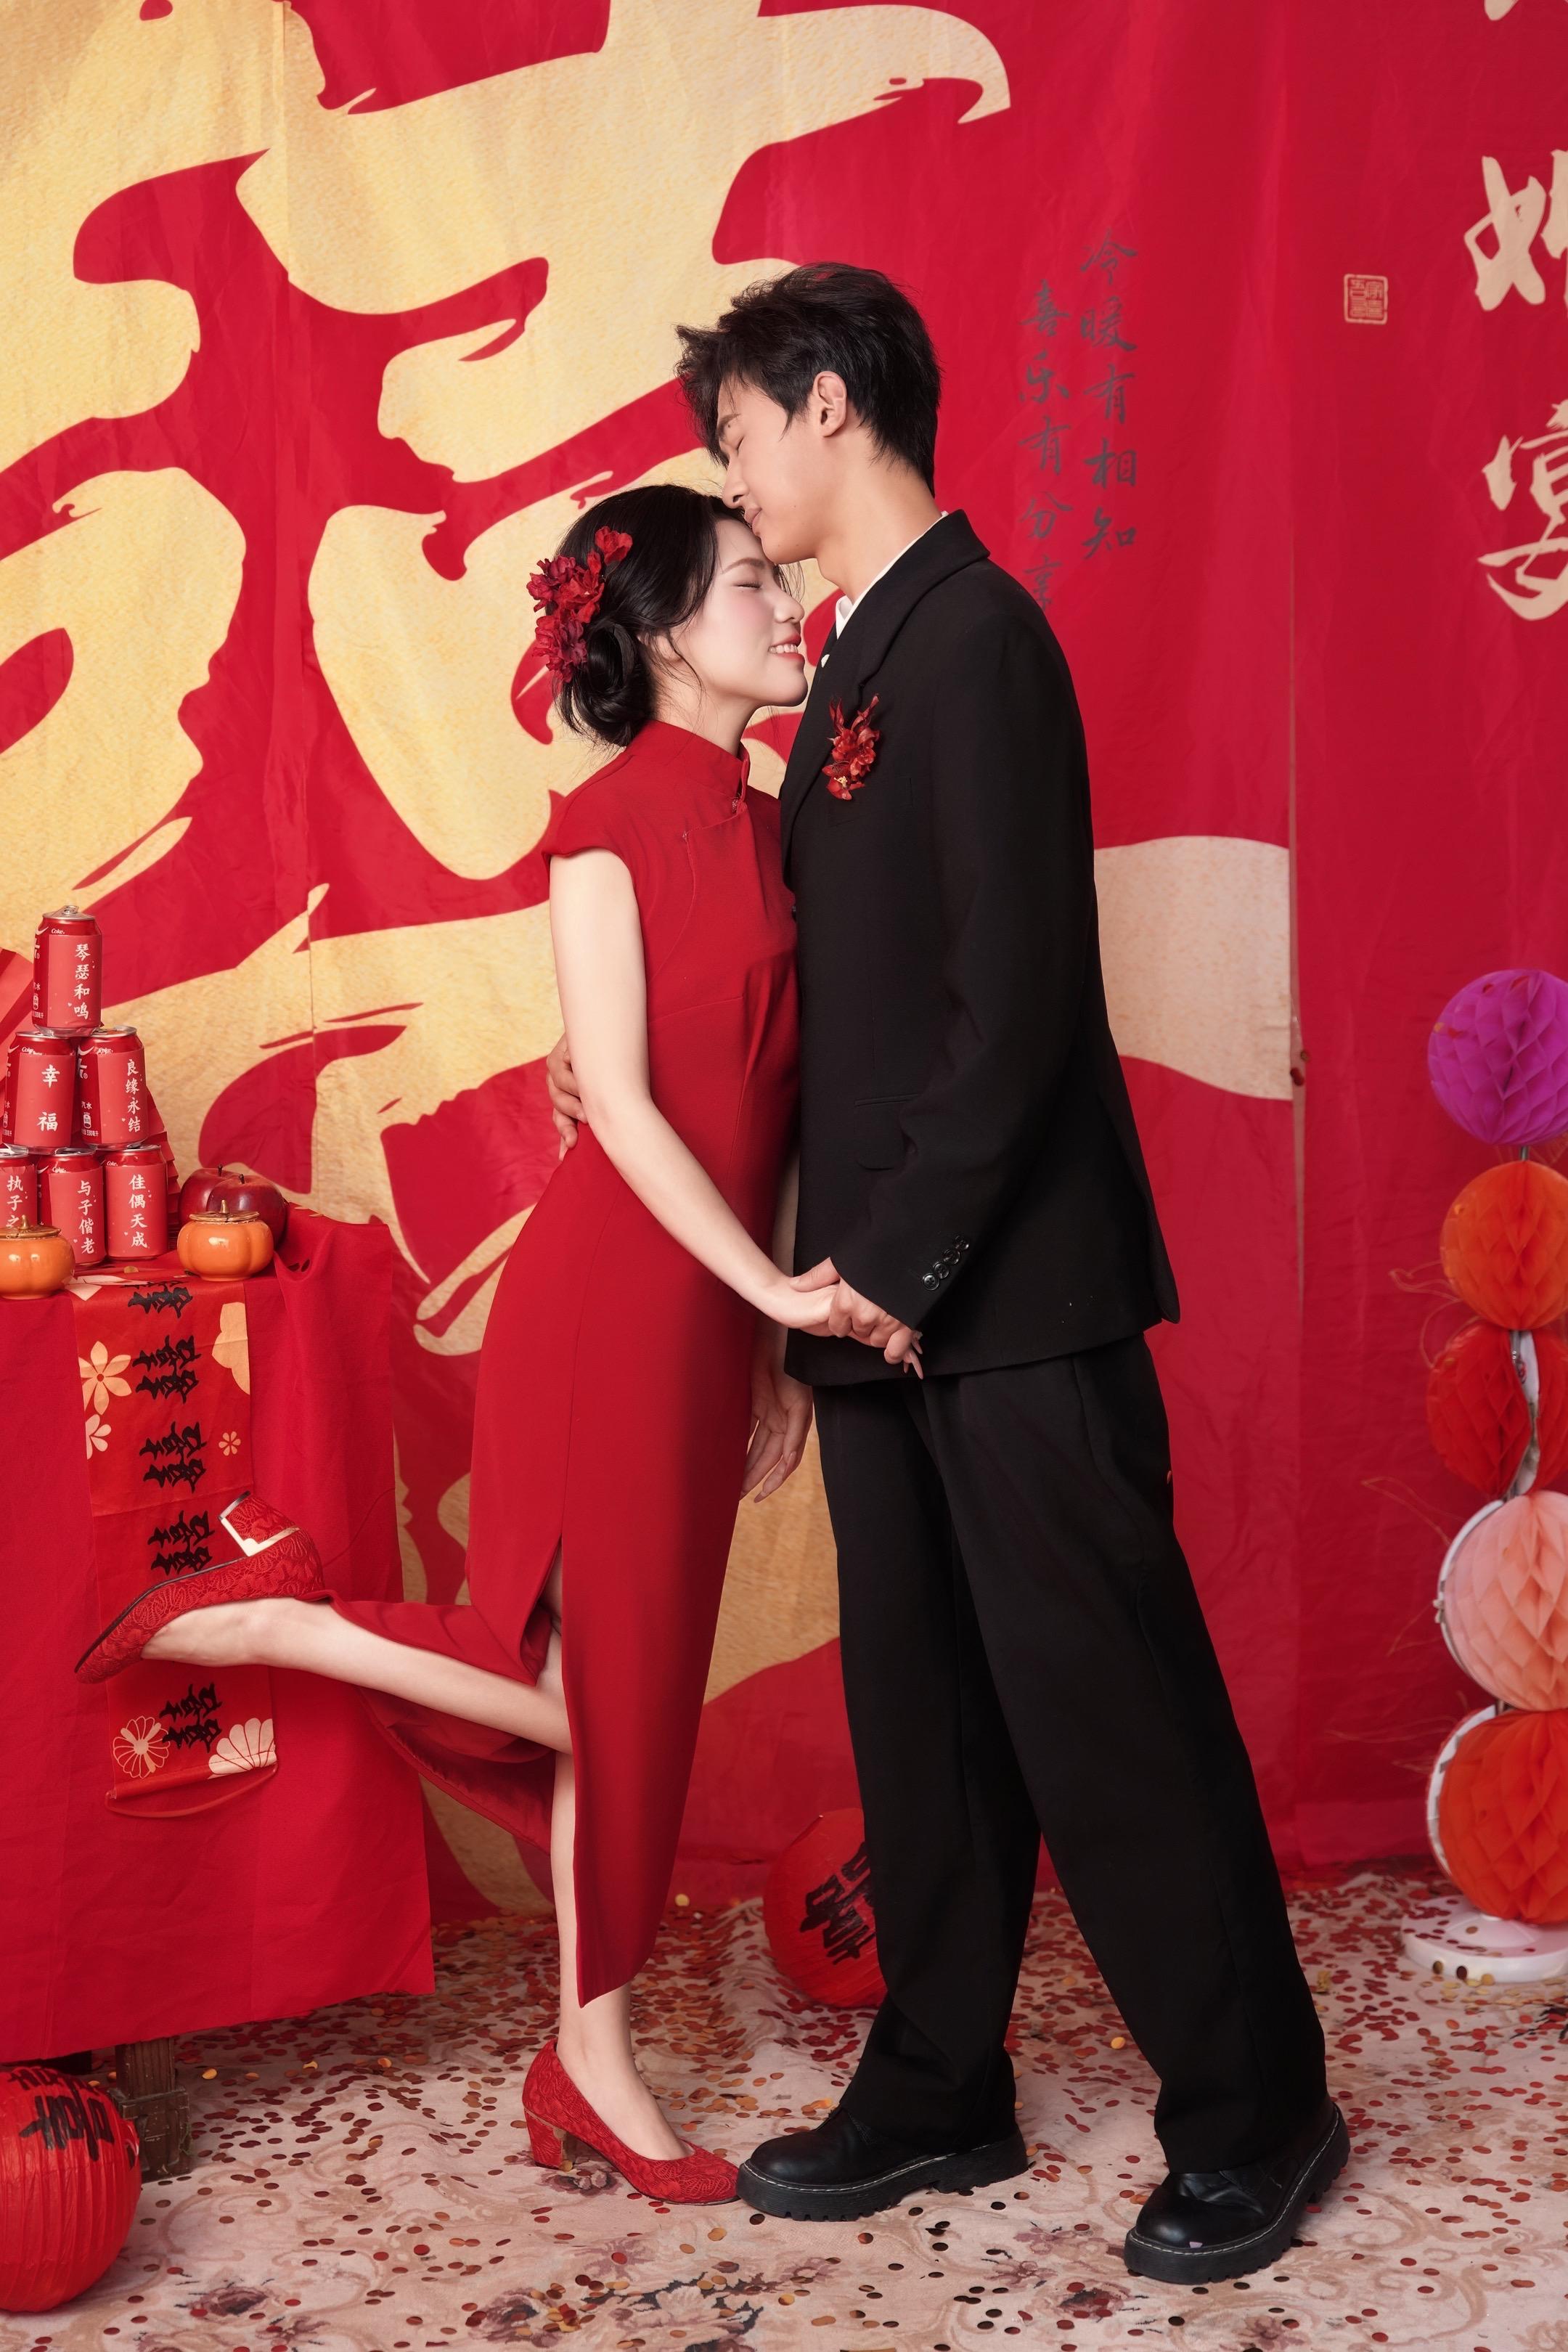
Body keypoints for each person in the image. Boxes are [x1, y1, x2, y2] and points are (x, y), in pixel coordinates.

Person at [547, 264, 1344, 2283]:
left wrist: (895, 1266)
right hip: (871, 1304)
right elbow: (825, 1007)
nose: (733, 471)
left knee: (1111, 1705)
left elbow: (1020, 999)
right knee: (926, 1722)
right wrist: (778, 1253)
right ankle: (936, 2084)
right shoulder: (846, 679)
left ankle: (1259, 2113)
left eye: (739, 431)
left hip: (1008, 1292)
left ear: (828, 403)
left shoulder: (980, 639)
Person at [73, 481, 889, 2205]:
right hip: (613, 1302)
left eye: (777, 574)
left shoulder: (782, 822)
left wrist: (760, 1342)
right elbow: (631, 1115)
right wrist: (771, 1295)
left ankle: (589, 2056)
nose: (784, 602)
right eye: (749, 582)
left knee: (618, 1696)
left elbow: (783, 1101)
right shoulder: (601, 831)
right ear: (662, 636)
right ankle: (284, 1620)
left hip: (708, 1311)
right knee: (599, 1693)